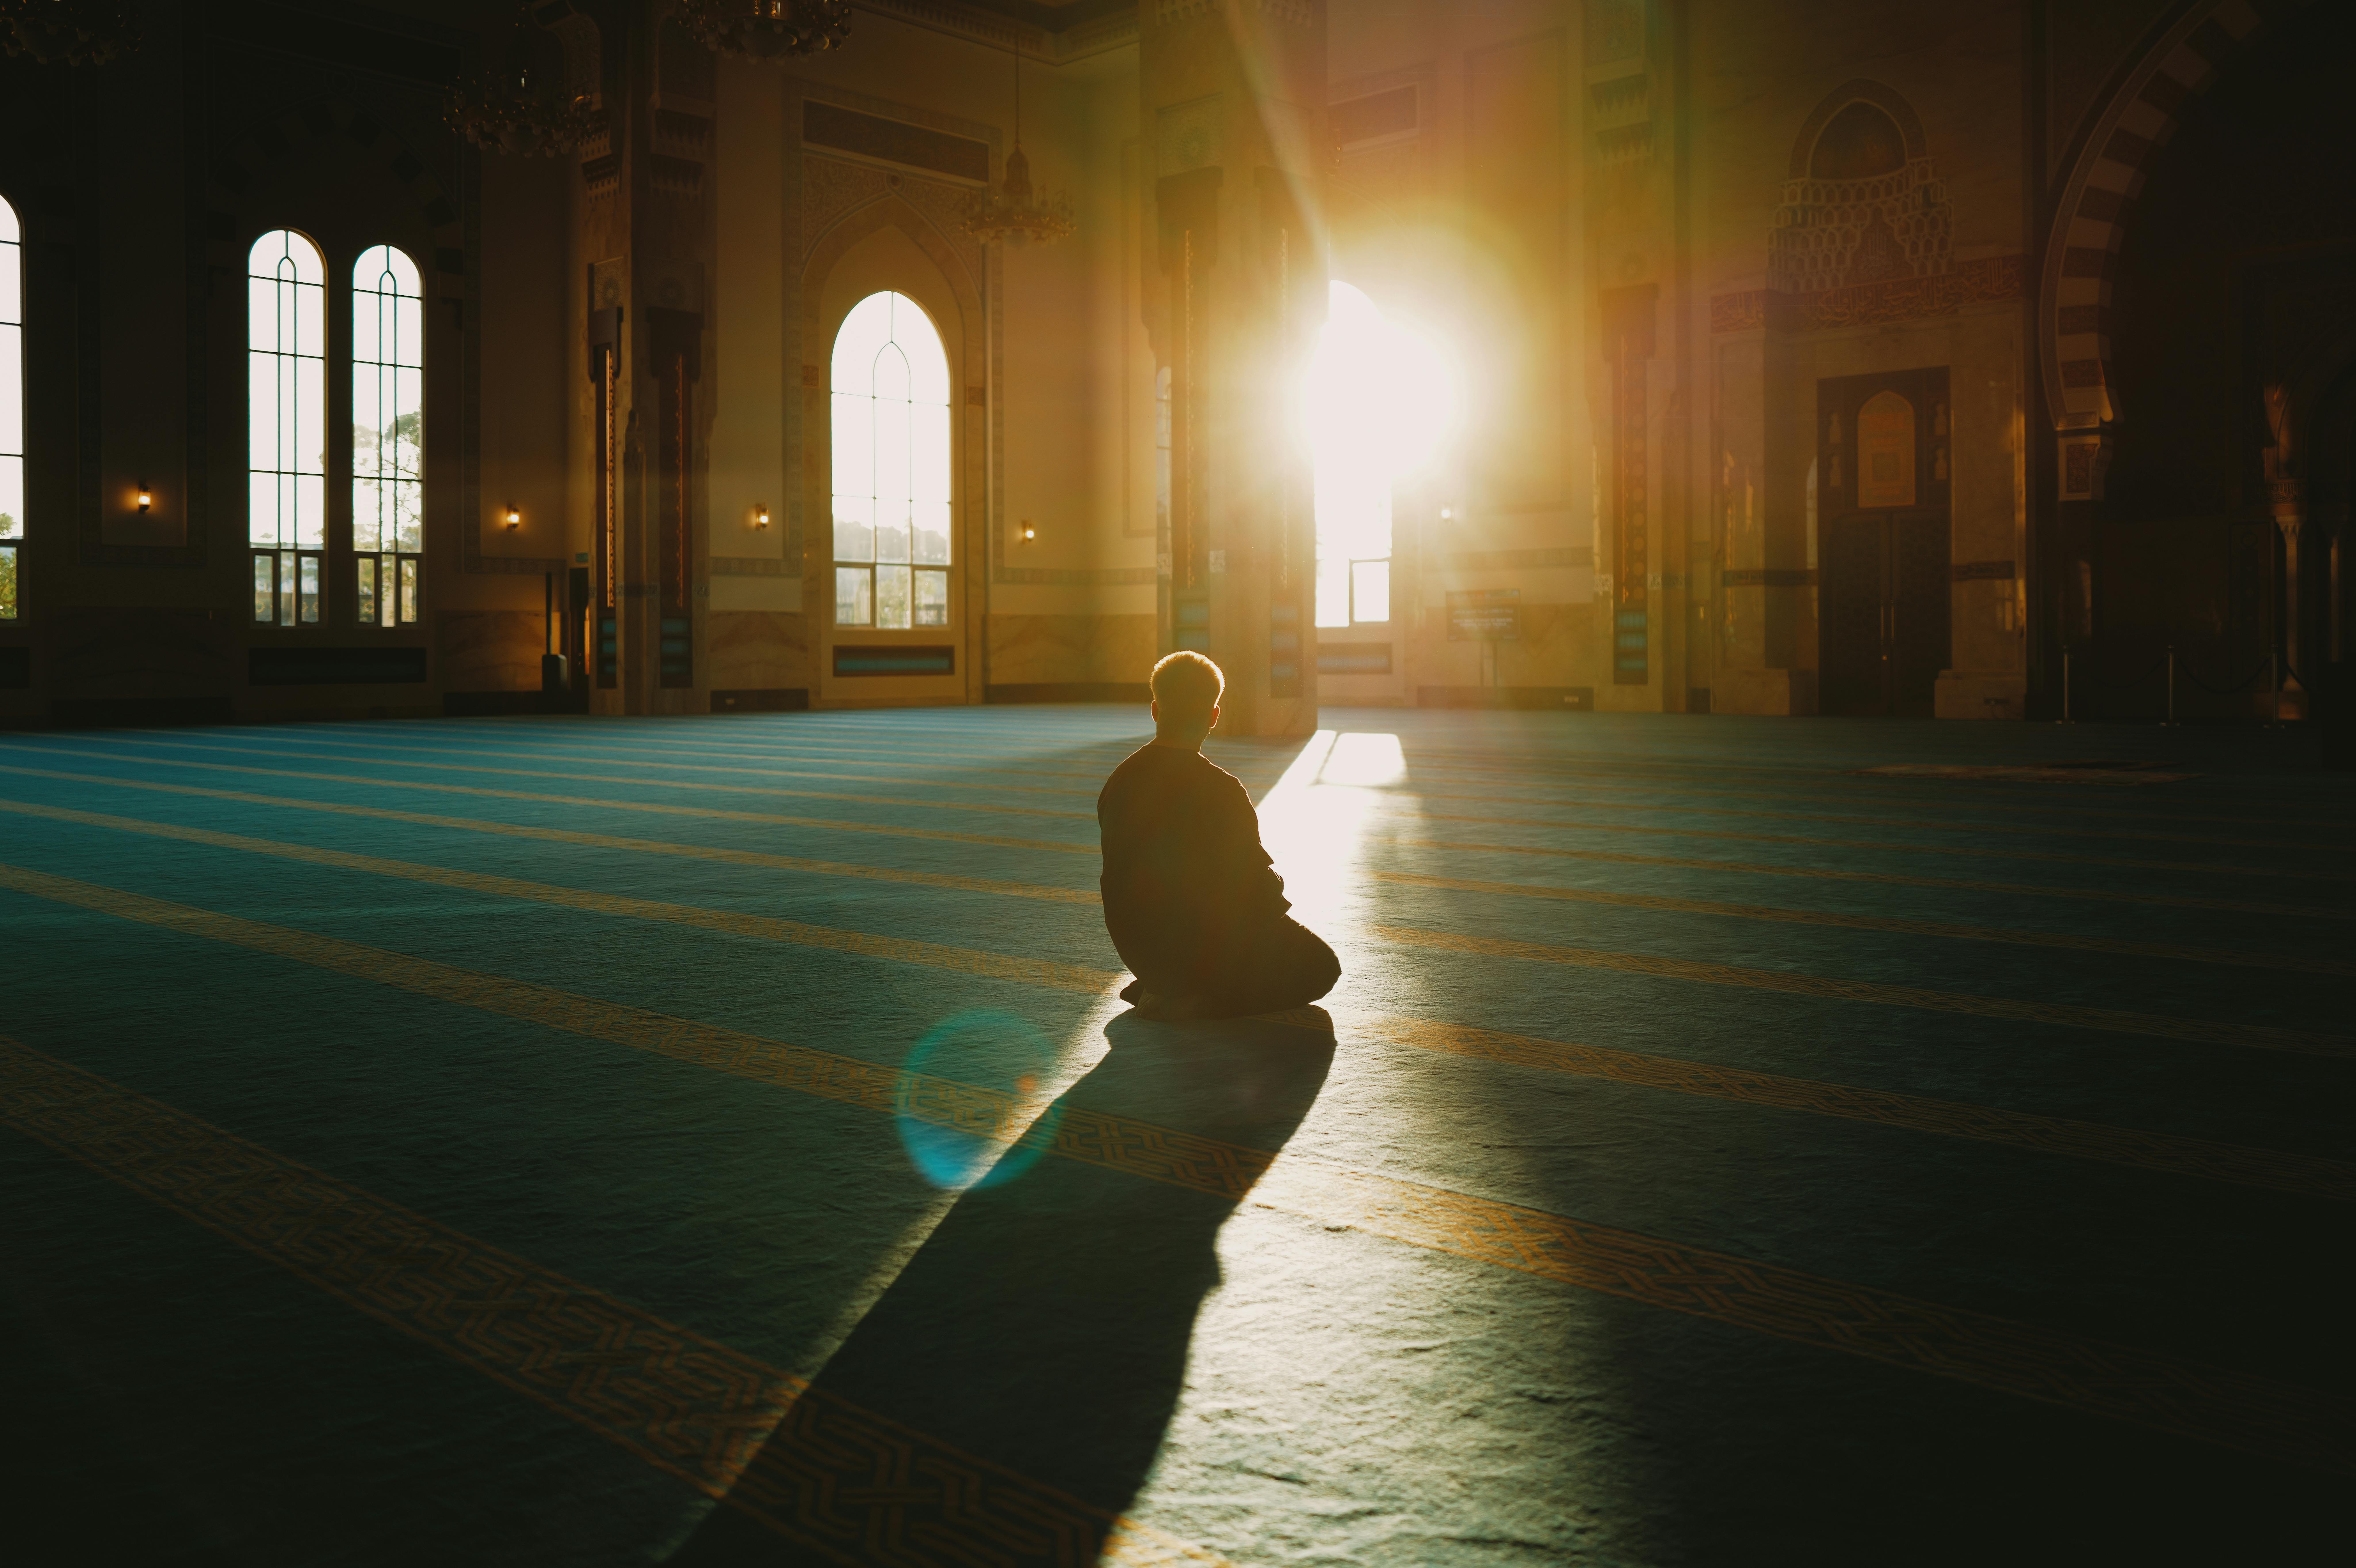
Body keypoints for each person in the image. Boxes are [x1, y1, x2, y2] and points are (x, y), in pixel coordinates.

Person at [1097, 651, 1341, 1020]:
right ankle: (1199, 998)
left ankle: (1160, 986)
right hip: (1202, 952)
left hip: (1140, 949)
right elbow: (1256, 894)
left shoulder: (1118, 782)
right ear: (1214, 716)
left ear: (1155, 709)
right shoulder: (1223, 790)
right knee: (1320, 965)